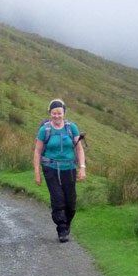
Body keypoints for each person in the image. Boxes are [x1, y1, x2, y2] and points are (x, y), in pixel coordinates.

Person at [33, 98, 86, 243]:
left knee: (71, 201)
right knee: (58, 199)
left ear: (64, 113)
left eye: (59, 113)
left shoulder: (71, 128)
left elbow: (79, 149)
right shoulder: (45, 130)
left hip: (69, 168)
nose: (57, 116)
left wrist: (82, 168)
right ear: (50, 113)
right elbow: (37, 151)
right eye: (54, 113)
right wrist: (37, 172)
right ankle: (62, 228)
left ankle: (67, 223)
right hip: (50, 168)